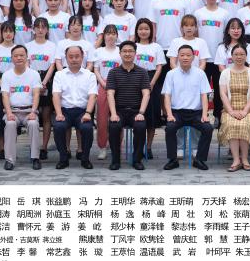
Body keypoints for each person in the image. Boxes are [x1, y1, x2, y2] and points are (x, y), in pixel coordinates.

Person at [160, 45, 215, 170]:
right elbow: (167, 96)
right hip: (177, 113)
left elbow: (204, 96)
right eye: (182, 55)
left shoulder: (200, 73)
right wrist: (169, 114)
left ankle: (199, 159)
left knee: (208, 128)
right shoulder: (171, 74)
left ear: (193, 57)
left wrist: (204, 114)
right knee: (170, 128)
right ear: (178, 57)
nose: (185, 57)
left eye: (188, 55)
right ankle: (173, 160)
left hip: (196, 113)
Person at [103, 41, 153, 170]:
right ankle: (115, 160)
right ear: (120, 53)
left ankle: (137, 160)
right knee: (114, 126)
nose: (127, 54)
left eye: (130, 51)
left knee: (140, 126)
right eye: (124, 51)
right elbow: (110, 94)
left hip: (136, 111)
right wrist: (113, 114)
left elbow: (146, 94)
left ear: (135, 53)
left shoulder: (142, 72)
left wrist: (141, 113)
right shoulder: (113, 72)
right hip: (119, 111)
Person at [49, 45, 99, 170]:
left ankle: (85, 158)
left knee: (87, 128)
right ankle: (63, 158)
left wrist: (88, 113)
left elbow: (93, 96)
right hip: (65, 111)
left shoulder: (90, 75)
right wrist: (59, 113)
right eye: (71, 57)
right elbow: (56, 95)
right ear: (66, 58)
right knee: (58, 126)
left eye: (77, 56)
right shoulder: (59, 75)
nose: (74, 59)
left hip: (83, 111)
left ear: (82, 57)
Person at [217, 45, 250, 171]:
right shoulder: (225, 73)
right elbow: (223, 94)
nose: (239, 57)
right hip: (229, 110)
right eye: (236, 54)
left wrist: (245, 111)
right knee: (232, 124)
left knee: (244, 125)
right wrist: (231, 111)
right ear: (231, 57)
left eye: (242, 54)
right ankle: (236, 160)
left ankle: (245, 158)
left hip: (248, 110)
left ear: (246, 56)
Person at [0, 45, 42, 171]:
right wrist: (9, 113)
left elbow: (36, 94)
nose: (19, 58)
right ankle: (9, 160)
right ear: (11, 58)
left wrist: (33, 111)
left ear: (27, 57)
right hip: (13, 111)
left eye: (22, 55)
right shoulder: (6, 75)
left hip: (29, 111)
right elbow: (5, 95)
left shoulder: (34, 74)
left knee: (33, 123)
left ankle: (35, 158)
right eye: (16, 56)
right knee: (10, 124)